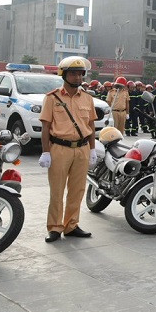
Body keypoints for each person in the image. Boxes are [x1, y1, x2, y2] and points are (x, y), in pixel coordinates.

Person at [40, 56, 98, 242]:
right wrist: (45, 151)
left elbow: (90, 126)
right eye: (73, 73)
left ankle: (71, 225)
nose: (78, 77)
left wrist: (93, 149)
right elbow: (46, 127)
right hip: (59, 148)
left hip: (81, 149)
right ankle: (55, 227)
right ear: (63, 74)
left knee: (77, 189)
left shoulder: (88, 98)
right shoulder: (52, 98)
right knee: (56, 191)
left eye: (81, 74)